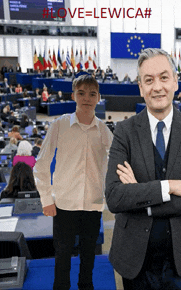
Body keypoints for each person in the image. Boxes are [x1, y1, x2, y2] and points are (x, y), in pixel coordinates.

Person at [105, 48, 181, 290]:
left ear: (175, 81)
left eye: (164, 77)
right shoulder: (124, 132)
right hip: (134, 261)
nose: (157, 87)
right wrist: (172, 186)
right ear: (141, 88)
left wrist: (141, 196)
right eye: (148, 80)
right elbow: (115, 197)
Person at [33, 74, 113, 290]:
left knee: (89, 257)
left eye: (92, 94)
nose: (86, 98)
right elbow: (41, 164)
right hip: (64, 205)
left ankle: (86, 286)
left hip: (92, 204)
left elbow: (116, 164)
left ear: (99, 98)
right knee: (62, 256)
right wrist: (46, 199)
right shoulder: (59, 125)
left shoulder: (104, 132)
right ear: (73, 95)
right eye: (81, 93)